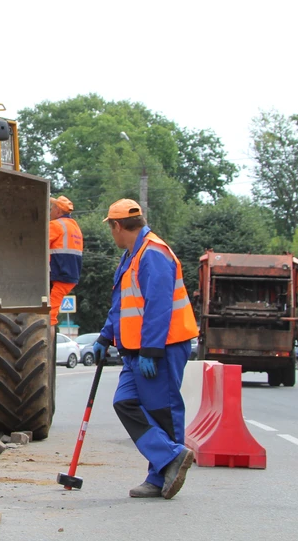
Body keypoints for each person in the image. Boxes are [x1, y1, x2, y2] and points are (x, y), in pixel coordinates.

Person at [92, 199, 199, 500]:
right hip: (136, 350)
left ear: (116, 225)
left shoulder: (153, 253)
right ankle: (170, 458)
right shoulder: (132, 256)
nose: (111, 234)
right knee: (125, 402)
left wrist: (152, 350)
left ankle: (160, 475)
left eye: (110, 228)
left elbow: (159, 305)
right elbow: (124, 305)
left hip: (162, 347)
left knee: (162, 411)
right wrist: (104, 337)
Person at [48, 196, 83, 327]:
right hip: (70, 276)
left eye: (51, 209)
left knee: (48, 318)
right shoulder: (74, 227)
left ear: (58, 211)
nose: (50, 212)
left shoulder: (55, 225)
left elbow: (38, 245)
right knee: (50, 314)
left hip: (59, 275)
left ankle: (47, 346)